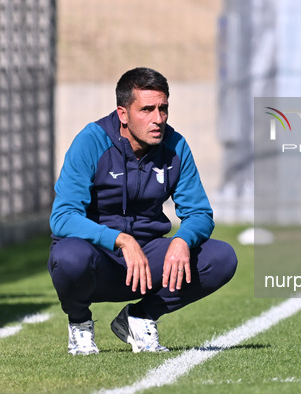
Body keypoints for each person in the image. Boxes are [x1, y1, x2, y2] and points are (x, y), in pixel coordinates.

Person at [47, 67, 237, 355]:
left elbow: (200, 213)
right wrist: (120, 240)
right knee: (69, 256)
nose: (157, 119)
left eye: (163, 109)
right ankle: (80, 325)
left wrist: (182, 240)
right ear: (123, 114)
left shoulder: (175, 146)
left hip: (148, 263)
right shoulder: (90, 141)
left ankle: (140, 318)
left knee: (221, 257)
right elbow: (62, 217)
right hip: (99, 260)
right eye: (147, 109)